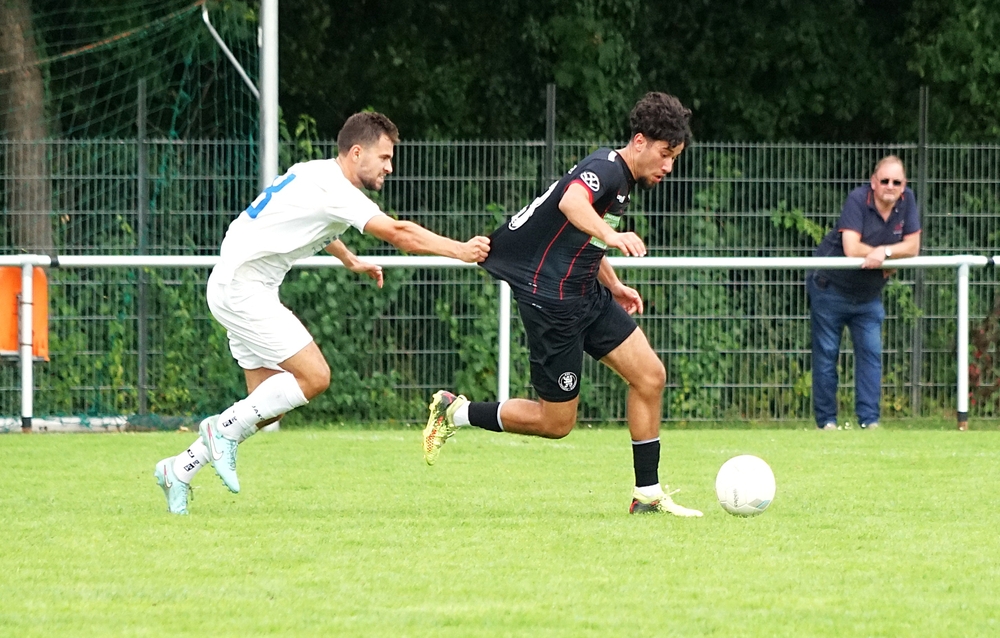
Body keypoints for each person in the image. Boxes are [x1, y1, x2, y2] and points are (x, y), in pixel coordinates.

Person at [154, 111, 490, 514]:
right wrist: (460, 251)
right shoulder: (337, 189)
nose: (389, 167)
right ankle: (218, 430)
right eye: (384, 157)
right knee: (314, 377)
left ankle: (179, 470)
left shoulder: (313, 172)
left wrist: (349, 259)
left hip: (239, 284)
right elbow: (399, 233)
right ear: (356, 152)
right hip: (244, 288)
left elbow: (315, 223)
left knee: (262, 408)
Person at [421, 91, 702, 517]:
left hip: (586, 293)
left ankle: (647, 495)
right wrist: (613, 236)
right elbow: (572, 203)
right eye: (665, 155)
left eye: (674, 158)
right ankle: (455, 411)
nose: (668, 167)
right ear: (640, 142)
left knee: (650, 376)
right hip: (552, 301)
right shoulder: (607, 169)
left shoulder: (621, 181)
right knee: (557, 423)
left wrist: (614, 283)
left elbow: (577, 238)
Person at [808, 155, 921, 430]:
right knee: (826, 356)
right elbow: (851, 248)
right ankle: (827, 422)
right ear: (874, 182)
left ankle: (869, 422)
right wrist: (882, 257)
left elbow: (913, 247)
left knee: (871, 356)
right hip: (830, 288)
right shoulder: (858, 199)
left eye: (897, 182)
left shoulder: (907, 201)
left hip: (868, 296)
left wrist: (885, 253)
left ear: (904, 185)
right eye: (885, 181)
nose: (890, 186)